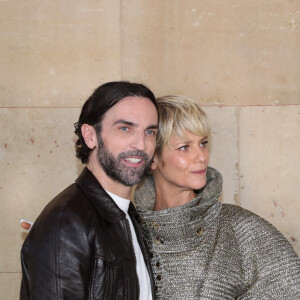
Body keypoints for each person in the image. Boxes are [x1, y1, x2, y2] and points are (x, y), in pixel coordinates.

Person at [134, 95, 300, 299]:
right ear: (152, 159)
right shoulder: (127, 233)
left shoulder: (240, 228)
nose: (202, 156)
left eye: (203, 143)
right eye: (184, 147)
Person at [20, 81, 158, 300]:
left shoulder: (128, 215)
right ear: (90, 136)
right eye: (125, 128)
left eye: (149, 131)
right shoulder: (66, 222)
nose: (141, 144)